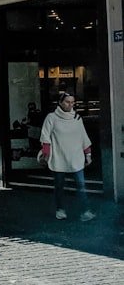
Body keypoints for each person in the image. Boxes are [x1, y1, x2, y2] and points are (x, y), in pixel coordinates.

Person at [40, 93, 95, 221]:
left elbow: (83, 137)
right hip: (59, 156)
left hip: (75, 156)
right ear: (60, 103)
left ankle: (85, 211)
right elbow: (45, 137)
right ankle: (60, 210)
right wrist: (46, 154)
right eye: (67, 102)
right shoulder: (51, 118)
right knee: (59, 186)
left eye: (72, 102)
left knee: (81, 185)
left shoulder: (77, 118)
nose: (70, 105)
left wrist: (88, 154)